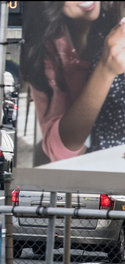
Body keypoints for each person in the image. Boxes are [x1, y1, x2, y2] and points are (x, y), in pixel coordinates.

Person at [20, 1, 125, 163]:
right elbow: (61, 152)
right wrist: (105, 70)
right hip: (100, 172)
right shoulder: (45, 52)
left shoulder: (114, 16)